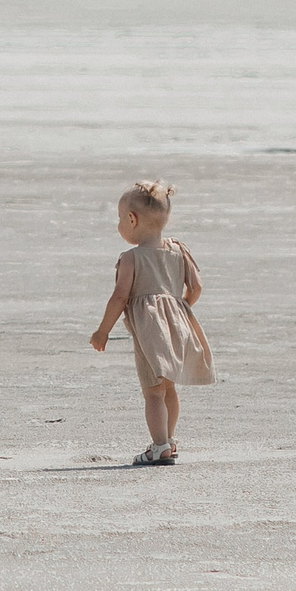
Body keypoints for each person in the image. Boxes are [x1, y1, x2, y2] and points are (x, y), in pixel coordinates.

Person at [87, 179, 213, 466]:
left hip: (149, 331)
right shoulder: (179, 250)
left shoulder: (131, 258)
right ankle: (169, 439)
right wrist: (178, 310)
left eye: (120, 218)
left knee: (152, 391)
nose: (119, 224)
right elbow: (196, 288)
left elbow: (120, 297)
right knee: (168, 387)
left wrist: (102, 332)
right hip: (177, 327)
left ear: (132, 219)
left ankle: (158, 447)